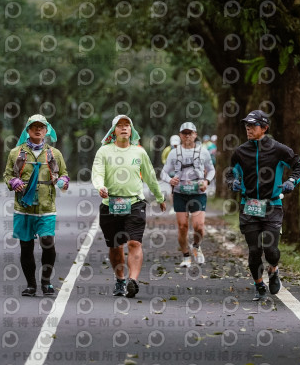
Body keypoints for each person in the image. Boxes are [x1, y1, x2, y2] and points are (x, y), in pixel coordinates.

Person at [226, 110, 300, 301]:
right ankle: (258, 285)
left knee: (271, 249)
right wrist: (232, 182)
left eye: (252, 125)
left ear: (264, 128)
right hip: (249, 205)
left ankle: (274, 270)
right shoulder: (240, 152)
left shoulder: (278, 149)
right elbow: (230, 173)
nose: (248, 128)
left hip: (272, 205)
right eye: (246, 125)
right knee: (254, 250)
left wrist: (291, 182)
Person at [92, 115, 167, 298]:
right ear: (114, 131)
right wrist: (100, 187)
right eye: (120, 126)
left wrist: (159, 197)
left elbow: (149, 176)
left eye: (127, 125)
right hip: (110, 205)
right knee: (115, 246)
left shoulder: (139, 152)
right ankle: (120, 279)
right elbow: (97, 173)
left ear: (131, 130)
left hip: (135, 203)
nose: (124, 128)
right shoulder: (104, 151)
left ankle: (132, 281)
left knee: (134, 242)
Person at [3, 114, 70, 297]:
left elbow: (64, 174)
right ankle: (31, 285)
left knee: (48, 242)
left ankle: (46, 282)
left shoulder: (54, 154)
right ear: (28, 130)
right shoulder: (16, 153)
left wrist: (63, 181)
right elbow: (7, 176)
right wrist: (13, 182)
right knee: (26, 246)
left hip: (46, 207)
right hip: (23, 207)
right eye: (34, 127)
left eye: (41, 127)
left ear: (46, 130)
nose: (38, 129)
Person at [161, 122, 215, 267]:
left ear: (195, 135)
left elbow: (211, 170)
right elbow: (163, 172)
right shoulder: (174, 153)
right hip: (180, 193)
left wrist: (207, 181)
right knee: (183, 226)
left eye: (190, 133)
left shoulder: (203, 151)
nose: (187, 136)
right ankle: (186, 256)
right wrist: (170, 180)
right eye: (184, 133)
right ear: (180, 135)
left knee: (199, 226)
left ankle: (196, 246)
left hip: (198, 193)